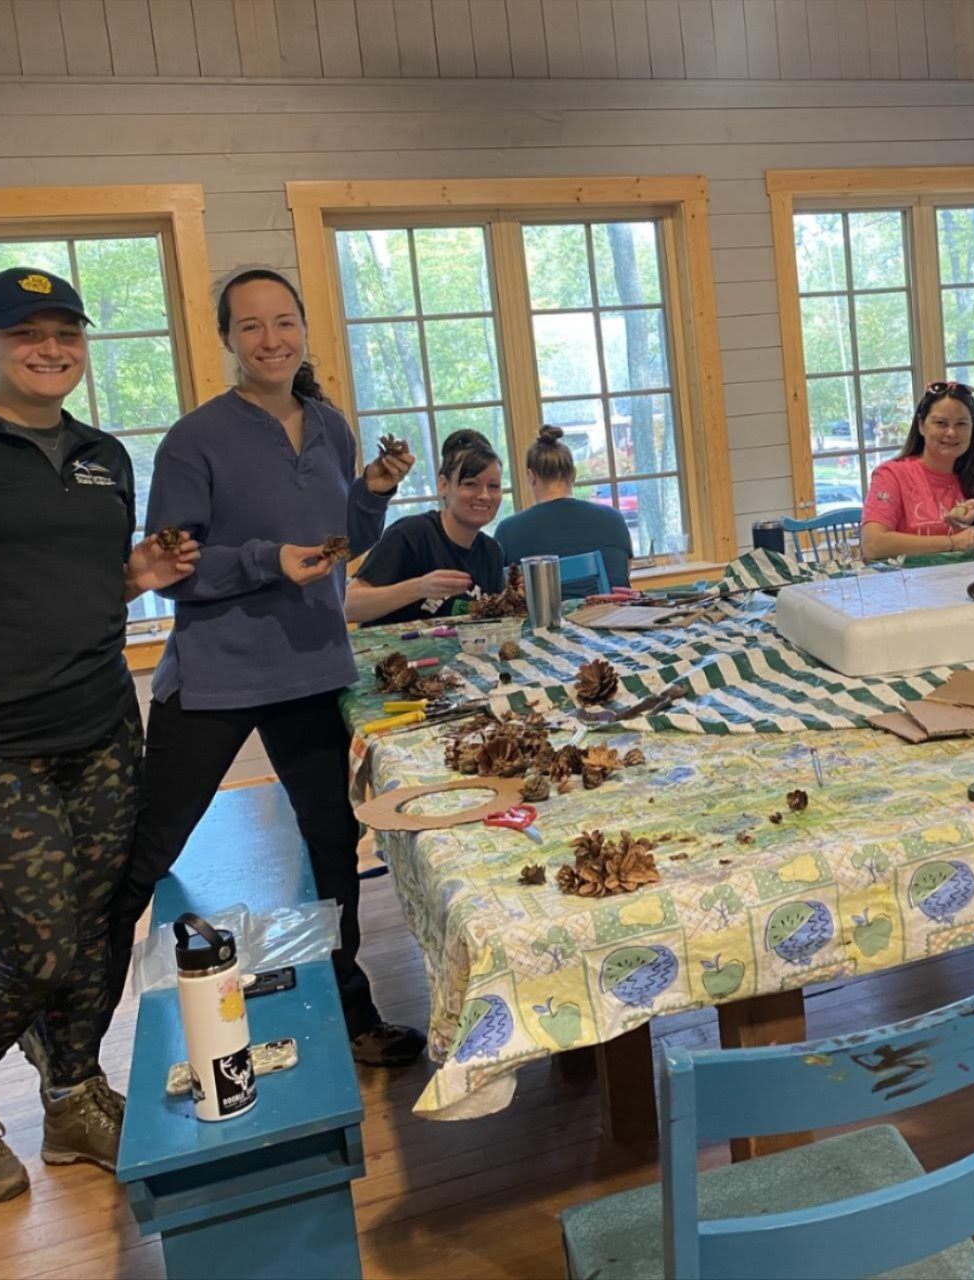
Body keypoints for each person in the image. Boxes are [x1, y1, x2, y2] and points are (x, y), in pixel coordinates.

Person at [0, 268, 195, 1204]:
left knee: (100, 931)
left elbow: (71, 580)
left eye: (67, 332)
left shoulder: (104, 454)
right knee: (40, 949)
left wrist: (134, 574)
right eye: (26, 332)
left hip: (99, 728)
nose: (51, 347)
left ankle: (73, 1094)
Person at [104, 267, 426, 1068]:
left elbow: (337, 541)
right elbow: (172, 566)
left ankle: (354, 1012)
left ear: (306, 328)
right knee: (147, 851)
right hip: (216, 674)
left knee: (332, 843)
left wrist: (373, 494)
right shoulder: (195, 439)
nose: (271, 339)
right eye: (251, 326)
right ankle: (73, 1051)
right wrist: (265, 561)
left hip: (313, 668)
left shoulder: (331, 426)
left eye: (284, 321)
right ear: (226, 341)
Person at [346, 429, 507, 626]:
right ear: (443, 485)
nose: (484, 496)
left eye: (494, 486)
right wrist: (419, 588)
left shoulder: (491, 552)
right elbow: (348, 606)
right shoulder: (409, 535)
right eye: (471, 484)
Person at [859, 381, 974, 560]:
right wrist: (953, 543)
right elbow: (873, 544)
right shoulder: (891, 475)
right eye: (941, 423)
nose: (951, 432)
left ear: (973, 429)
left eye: (961, 424)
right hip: (910, 585)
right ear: (921, 425)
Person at [492, 425, 633, 596]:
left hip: (546, 621)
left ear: (531, 476)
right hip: (614, 618)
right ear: (573, 474)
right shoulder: (614, 520)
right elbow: (624, 577)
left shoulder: (508, 531)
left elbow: (504, 595)